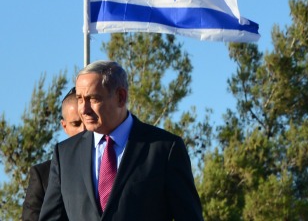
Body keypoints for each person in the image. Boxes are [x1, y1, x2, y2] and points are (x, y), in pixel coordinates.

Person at [39, 60, 203, 220]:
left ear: (120, 97)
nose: (84, 109)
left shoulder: (164, 149)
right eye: (80, 98)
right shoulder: (65, 154)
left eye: (93, 99)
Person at [22, 87, 85, 221]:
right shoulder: (43, 175)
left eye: (87, 121)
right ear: (64, 126)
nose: (83, 129)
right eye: (76, 123)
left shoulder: (111, 165)